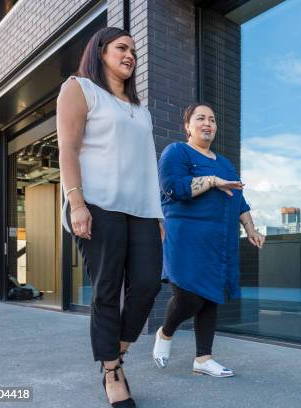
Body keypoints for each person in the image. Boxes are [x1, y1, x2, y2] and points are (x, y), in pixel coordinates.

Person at [57, 27, 164, 407]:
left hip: (142, 211)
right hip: (98, 203)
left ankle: (113, 351)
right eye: (122, 47)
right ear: (100, 51)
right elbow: (68, 149)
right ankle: (112, 373)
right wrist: (77, 202)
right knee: (106, 289)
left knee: (149, 284)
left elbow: (146, 166)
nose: (130, 55)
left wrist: (158, 215)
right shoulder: (80, 88)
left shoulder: (141, 110)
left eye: (134, 50)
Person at [153, 103, 265, 377]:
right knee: (189, 295)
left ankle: (203, 358)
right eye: (200, 118)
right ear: (187, 125)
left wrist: (251, 228)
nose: (207, 123)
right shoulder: (177, 152)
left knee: (210, 296)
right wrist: (213, 181)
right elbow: (173, 187)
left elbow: (239, 200)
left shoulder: (225, 163)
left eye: (212, 120)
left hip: (219, 240)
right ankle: (165, 333)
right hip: (185, 236)